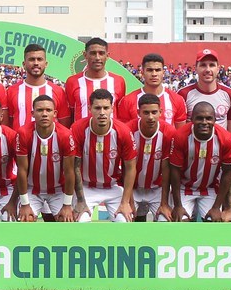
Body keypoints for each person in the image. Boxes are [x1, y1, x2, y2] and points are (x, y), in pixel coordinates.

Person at [70, 89, 137, 221]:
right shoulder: (78, 128)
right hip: (86, 187)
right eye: (97, 108)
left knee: (123, 222)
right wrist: (80, 200)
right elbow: (74, 167)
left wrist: (125, 202)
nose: (102, 113)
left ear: (112, 108)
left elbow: (130, 168)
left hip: (113, 187)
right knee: (81, 221)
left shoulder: (123, 131)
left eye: (106, 108)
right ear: (90, 108)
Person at [167, 101, 231, 222]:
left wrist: (216, 207)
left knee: (214, 223)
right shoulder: (181, 136)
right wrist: (178, 205)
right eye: (199, 118)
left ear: (215, 120)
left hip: (209, 188)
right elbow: (174, 172)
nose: (204, 122)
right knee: (180, 222)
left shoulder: (225, 139)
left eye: (209, 118)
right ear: (192, 119)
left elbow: (227, 174)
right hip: (184, 187)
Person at [15, 95, 77, 221]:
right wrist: (25, 204)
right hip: (32, 189)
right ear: (32, 113)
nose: (44, 114)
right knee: (25, 220)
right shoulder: (23, 133)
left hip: (58, 190)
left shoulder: (65, 135)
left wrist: (67, 205)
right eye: (40, 110)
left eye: (48, 110)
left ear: (55, 113)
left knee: (66, 221)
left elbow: (70, 172)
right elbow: (21, 170)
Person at [131, 94, 176, 222]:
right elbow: (126, 167)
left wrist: (164, 203)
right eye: (146, 112)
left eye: (154, 112)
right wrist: (127, 201)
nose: (150, 117)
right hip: (133, 189)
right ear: (138, 112)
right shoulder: (128, 130)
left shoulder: (169, 132)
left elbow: (167, 169)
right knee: (126, 219)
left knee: (165, 220)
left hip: (157, 189)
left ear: (160, 112)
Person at [6, 44, 70, 129]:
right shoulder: (11, 91)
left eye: (39, 59)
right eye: (32, 59)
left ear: (46, 64)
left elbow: (64, 124)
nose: (36, 63)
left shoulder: (58, 91)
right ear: (24, 64)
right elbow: (8, 123)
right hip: (20, 141)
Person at [115, 53, 187, 128]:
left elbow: (180, 133)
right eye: (150, 70)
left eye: (158, 70)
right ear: (142, 73)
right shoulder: (127, 101)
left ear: (163, 73)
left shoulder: (177, 100)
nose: (154, 74)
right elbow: (124, 132)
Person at [65, 37, 126, 122]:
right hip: (82, 134)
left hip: (110, 134)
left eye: (101, 53)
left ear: (107, 56)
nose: (97, 57)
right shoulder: (72, 81)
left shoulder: (118, 81)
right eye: (93, 53)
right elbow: (71, 111)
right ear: (85, 55)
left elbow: (119, 111)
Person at [178, 49, 231, 131]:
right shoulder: (183, 94)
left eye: (212, 65)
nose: (207, 70)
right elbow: (180, 131)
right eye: (203, 65)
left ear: (218, 68)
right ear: (196, 68)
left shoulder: (230, 94)